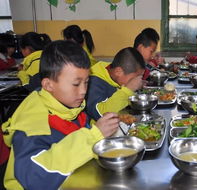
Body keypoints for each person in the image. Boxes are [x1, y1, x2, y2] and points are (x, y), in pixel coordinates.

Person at [1, 40, 119, 190]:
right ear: (48, 85)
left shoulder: (70, 106)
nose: (83, 90)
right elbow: (35, 178)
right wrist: (93, 137)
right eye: (76, 84)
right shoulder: (32, 124)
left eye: (86, 82)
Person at [86, 47, 145, 121]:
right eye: (133, 79)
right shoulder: (93, 83)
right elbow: (101, 114)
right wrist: (128, 89)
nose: (135, 82)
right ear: (118, 72)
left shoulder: (114, 76)